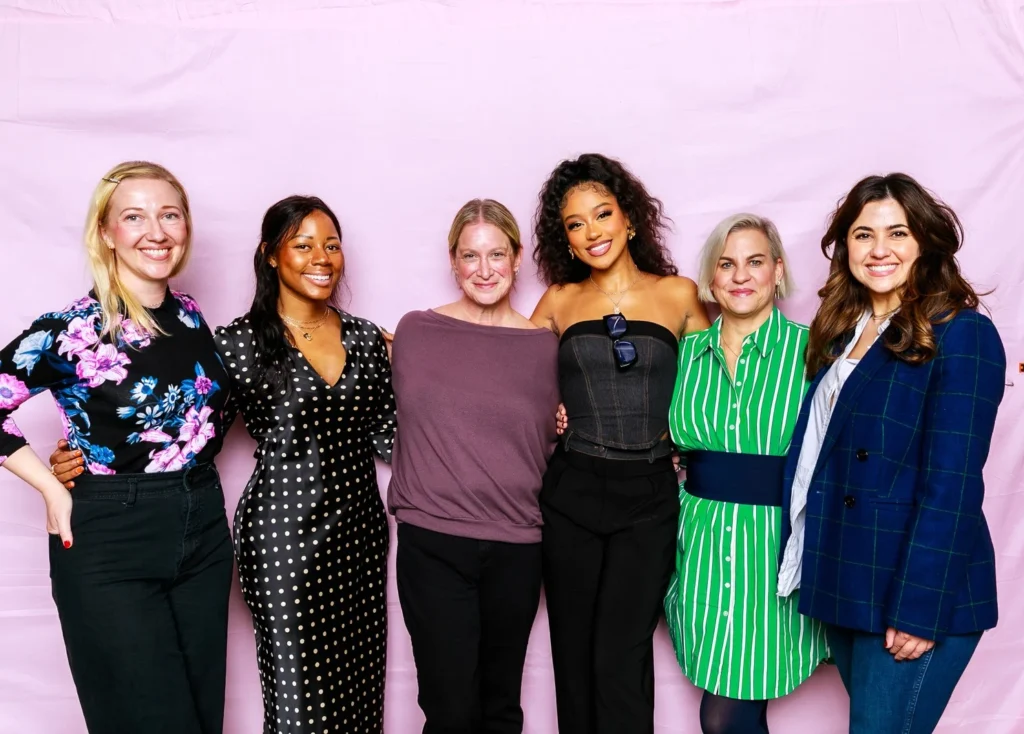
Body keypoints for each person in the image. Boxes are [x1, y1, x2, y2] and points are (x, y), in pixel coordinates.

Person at [52, 195, 396, 734]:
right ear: (271, 255)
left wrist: (432, 364)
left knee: (360, 690)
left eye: (332, 245)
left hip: (361, 538)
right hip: (285, 540)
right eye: (303, 245)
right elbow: (187, 433)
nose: (321, 258)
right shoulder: (237, 344)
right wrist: (86, 453)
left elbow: (393, 436)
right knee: (299, 701)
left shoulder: (368, 338)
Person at [0, 161, 234, 733]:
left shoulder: (190, 315)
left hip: (203, 526)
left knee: (202, 718)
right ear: (105, 232)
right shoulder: (72, 330)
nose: (156, 231)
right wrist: (52, 487)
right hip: (112, 538)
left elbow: (196, 422)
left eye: (169, 215)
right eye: (134, 217)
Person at [778, 173, 1005, 733]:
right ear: (845, 246)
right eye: (863, 234)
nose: (879, 249)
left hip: (915, 590)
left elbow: (952, 484)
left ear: (924, 241)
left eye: (897, 232)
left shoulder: (962, 334)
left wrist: (919, 607)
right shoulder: (842, 332)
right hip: (849, 578)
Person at [530, 152, 710, 734]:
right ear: (566, 239)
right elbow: (508, 374)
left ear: (629, 217)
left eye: (602, 214)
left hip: (649, 495)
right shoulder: (559, 300)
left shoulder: (678, 294)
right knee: (573, 655)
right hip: (571, 490)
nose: (592, 232)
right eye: (575, 223)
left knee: (620, 659)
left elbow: (715, 383)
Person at [387, 199, 560, 733]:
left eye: (496, 254)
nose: (484, 270)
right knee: (450, 709)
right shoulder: (414, 331)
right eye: (470, 256)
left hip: (517, 545)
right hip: (433, 540)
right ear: (453, 261)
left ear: (517, 258)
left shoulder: (546, 347)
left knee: (500, 707)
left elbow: (563, 429)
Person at [663, 214, 828, 734]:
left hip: (776, 552)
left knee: (724, 717)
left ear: (777, 271)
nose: (740, 276)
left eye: (754, 262)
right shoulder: (683, 355)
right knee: (731, 711)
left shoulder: (815, 351)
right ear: (711, 279)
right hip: (702, 550)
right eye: (726, 264)